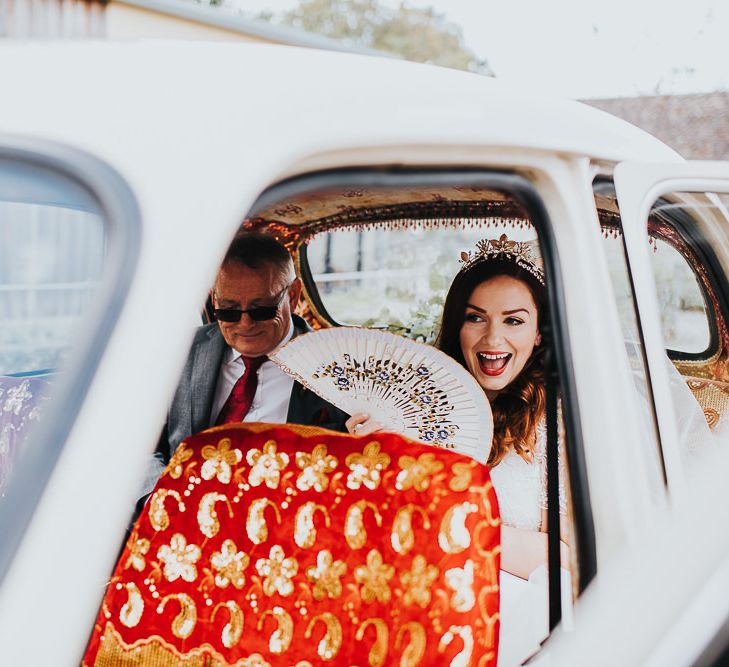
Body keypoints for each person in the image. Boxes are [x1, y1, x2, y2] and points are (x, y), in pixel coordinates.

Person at [435, 235, 569, 666]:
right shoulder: (425, 405)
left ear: (539, 333)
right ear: (457, 327)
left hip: (515, 611)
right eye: (476, 318)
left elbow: (567, 557)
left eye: (513, 321)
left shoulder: (557, 421)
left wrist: (463, 526)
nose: (492, 338)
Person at [158, 233, 348, 464]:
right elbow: (139, 447)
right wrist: (155, 495)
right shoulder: (178, 352)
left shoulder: (340, 367)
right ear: (214, 300)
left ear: (293, 295)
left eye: (262, 310)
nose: (245, 324)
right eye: (229, 311)